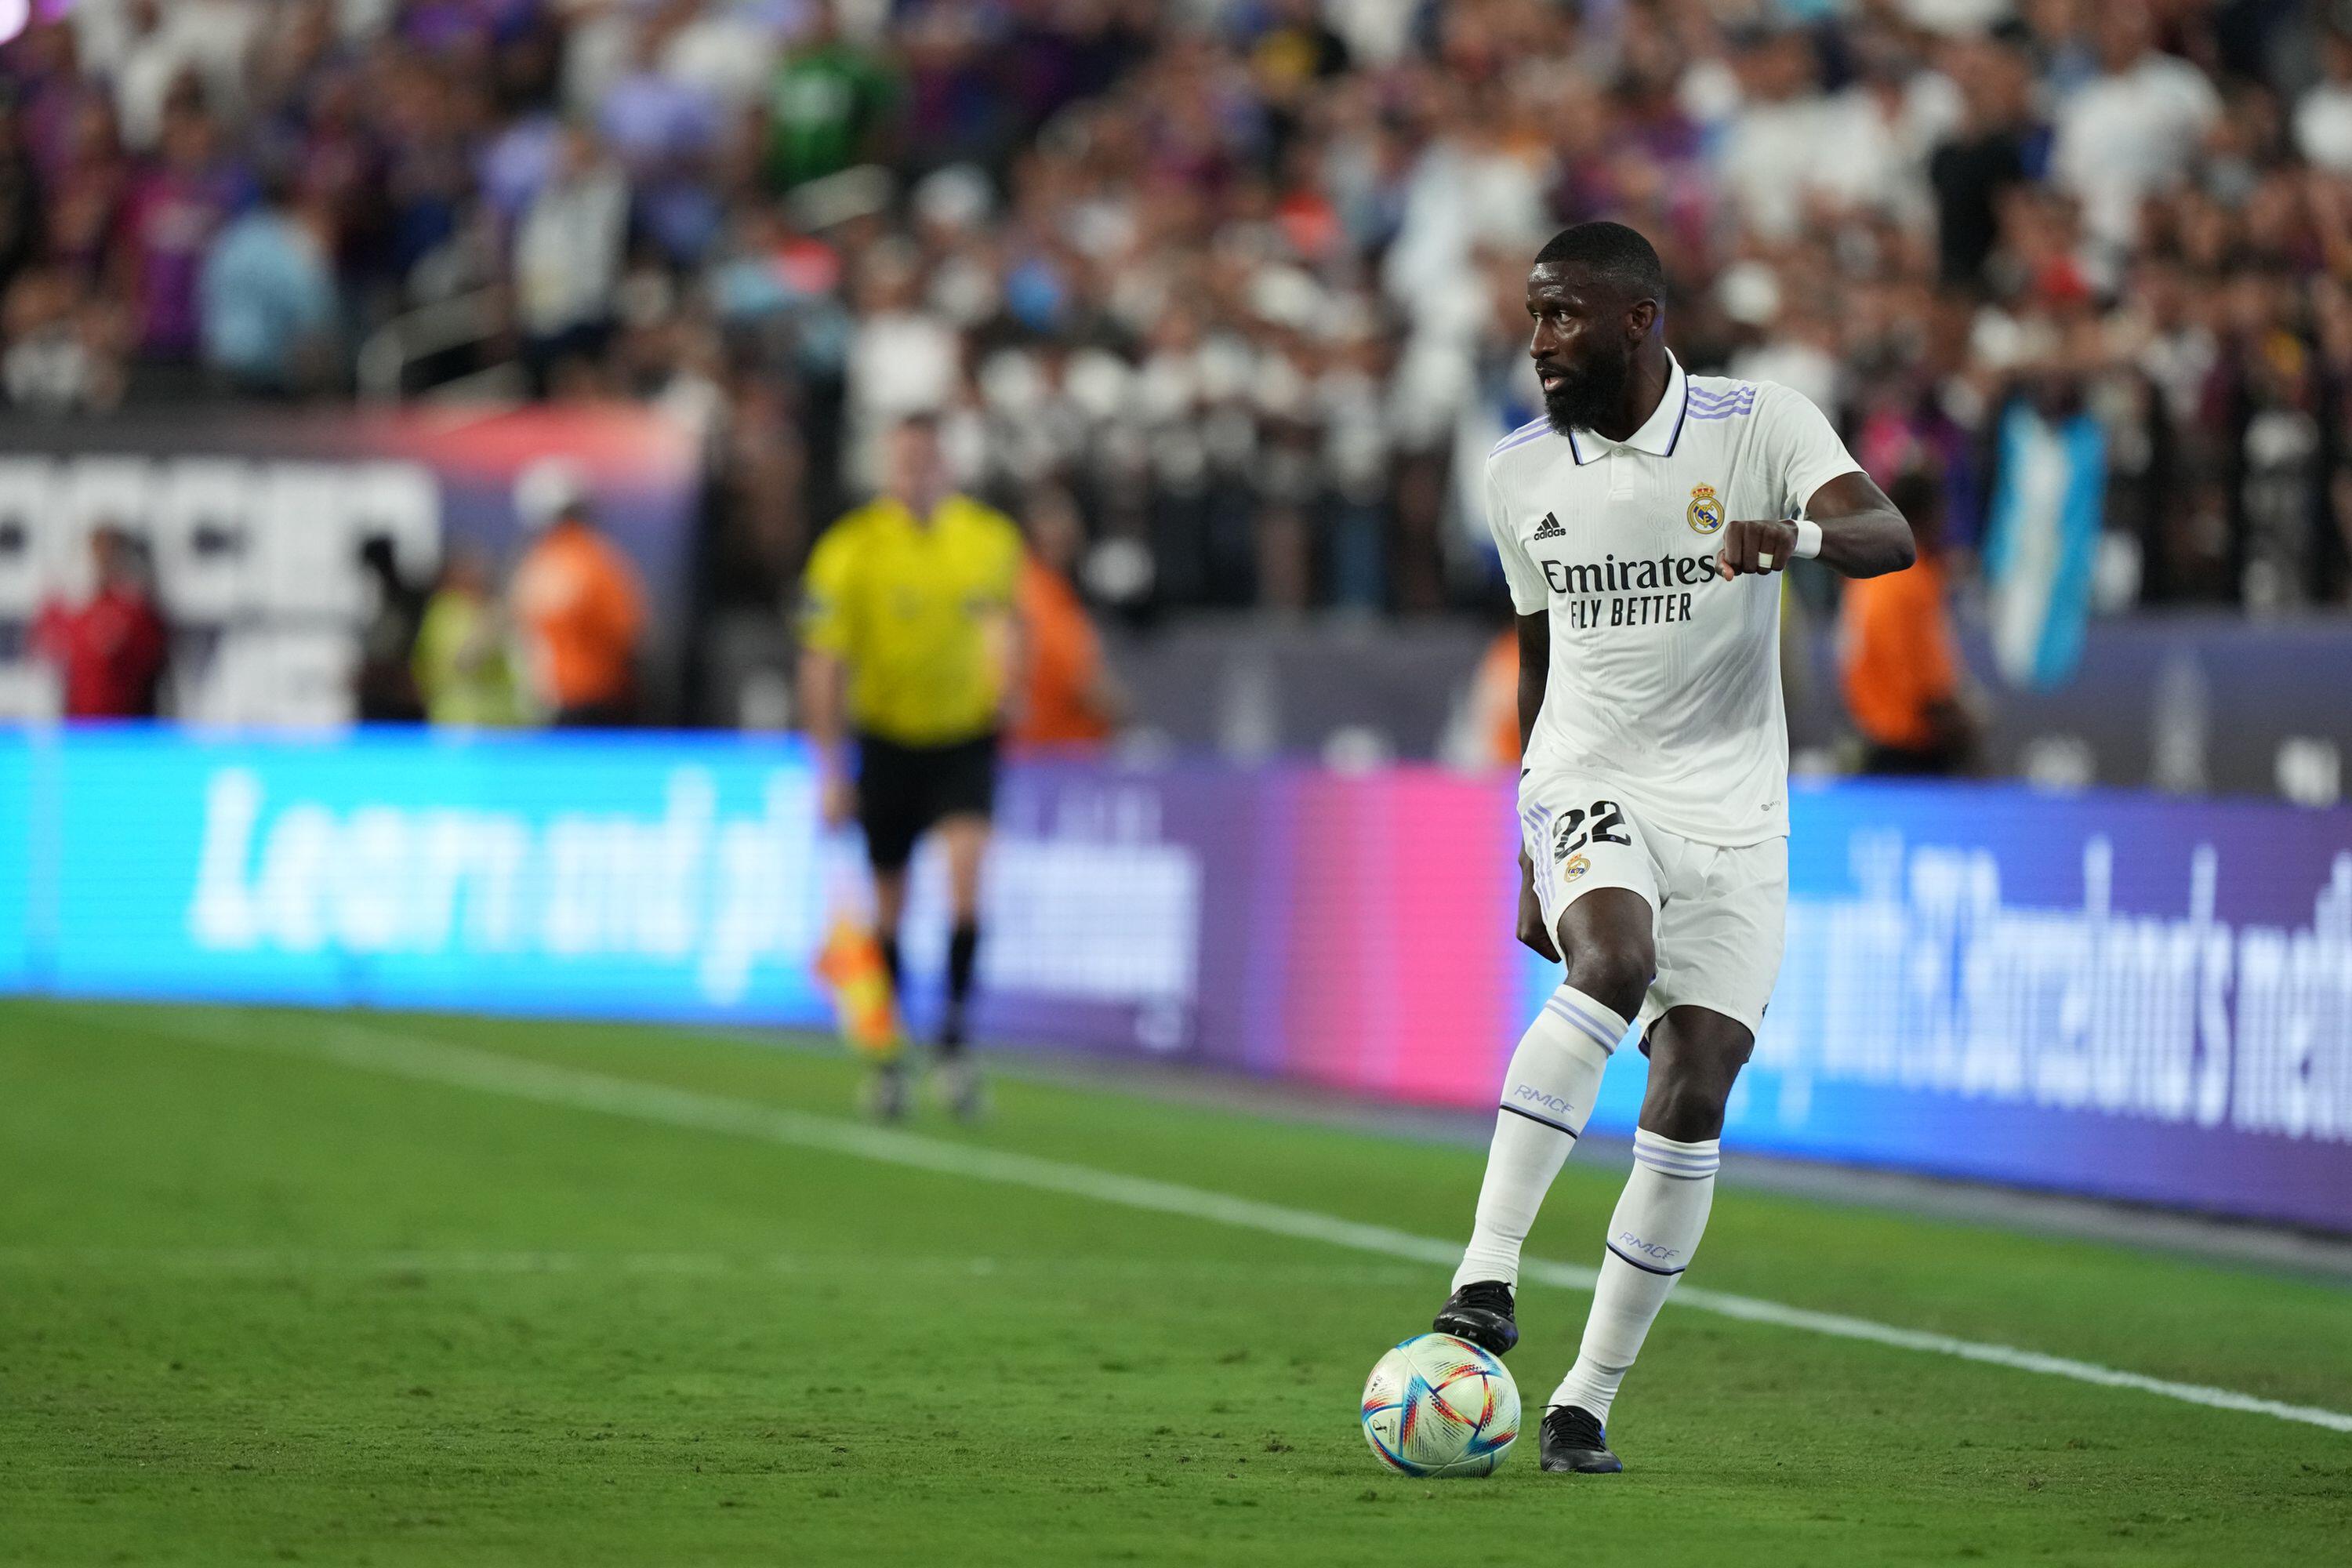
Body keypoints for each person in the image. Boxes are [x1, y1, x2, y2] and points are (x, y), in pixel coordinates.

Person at [1431, 223, 1914, 1475]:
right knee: (1610, 962)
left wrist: (1791, 539)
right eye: (1533, 316)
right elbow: (1538, 653)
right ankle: (1485, 1277)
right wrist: (1526, 846)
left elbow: (1888, 537)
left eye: (1563, 317)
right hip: (1588, 771)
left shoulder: (1761, 422)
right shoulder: (1517, 472)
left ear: (1638, 319)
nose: (1539, 341)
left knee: (1695, 1089)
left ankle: (1584, 1403)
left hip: (1739, 809)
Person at [798, 414, 1022, 1121]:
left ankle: (954, 1042)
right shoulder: (851, 550)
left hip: (962, 739)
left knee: (966, 882)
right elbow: (823, 662)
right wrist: (830, 767)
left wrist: (1010, 687)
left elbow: (1006, 626)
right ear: (887, 469)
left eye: (929, 459)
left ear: (945, 465)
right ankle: (888, 1053)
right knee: (888, 904)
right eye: (905, 460)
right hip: (889, 740)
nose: (918, 473)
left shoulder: (987, 541)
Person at [1839, 470, 1980, 775]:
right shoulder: (1912, 580)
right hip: (1912, 753)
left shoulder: (1866, 572)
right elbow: (1932, 688)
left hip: (1872, 738)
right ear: (1926, 514)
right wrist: (1970, 741)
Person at [509, 459, 647, 727]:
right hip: (592, 696)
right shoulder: (594, 560)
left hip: (554, 698)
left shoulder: (537, 562)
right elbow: (628, 632)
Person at [1010, 485, 1121, 753]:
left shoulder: (1057, 592)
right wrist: (1123, 709)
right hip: (1051, 757)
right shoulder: (1033, 596)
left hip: (1056, 752)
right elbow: (1084, 687)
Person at [34, 524, 170, 720]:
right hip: (79, 728)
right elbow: (49, 656)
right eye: (98, 552)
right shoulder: (68, 610)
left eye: (111, 553)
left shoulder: (137, 613)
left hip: (129, 730)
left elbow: (150, 661)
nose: (103, 561)